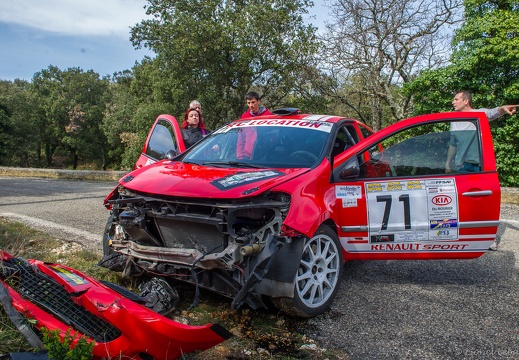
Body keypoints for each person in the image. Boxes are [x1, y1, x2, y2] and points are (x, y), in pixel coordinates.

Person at [445, 91, 518, 250]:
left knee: (483, 203)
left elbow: (494, 112)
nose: (453, 102)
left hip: (479, 166)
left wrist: (503, 109)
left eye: (456, 99)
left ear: (465, 101)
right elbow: (453, 144)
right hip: (461, 167)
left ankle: (489, 238)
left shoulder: (479, 114)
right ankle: (464, 236)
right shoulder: (454, 120)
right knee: (461, 203)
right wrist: (448, 162)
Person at [237, 92, 273, 159]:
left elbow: (273, 136)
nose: (251, 105)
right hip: (247, 155)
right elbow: (241, 138)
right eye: (248, 103)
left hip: (264, 155)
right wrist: (240, 156)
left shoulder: (268, 116)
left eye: (253, 102)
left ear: (258, 101)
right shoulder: (244, 117)